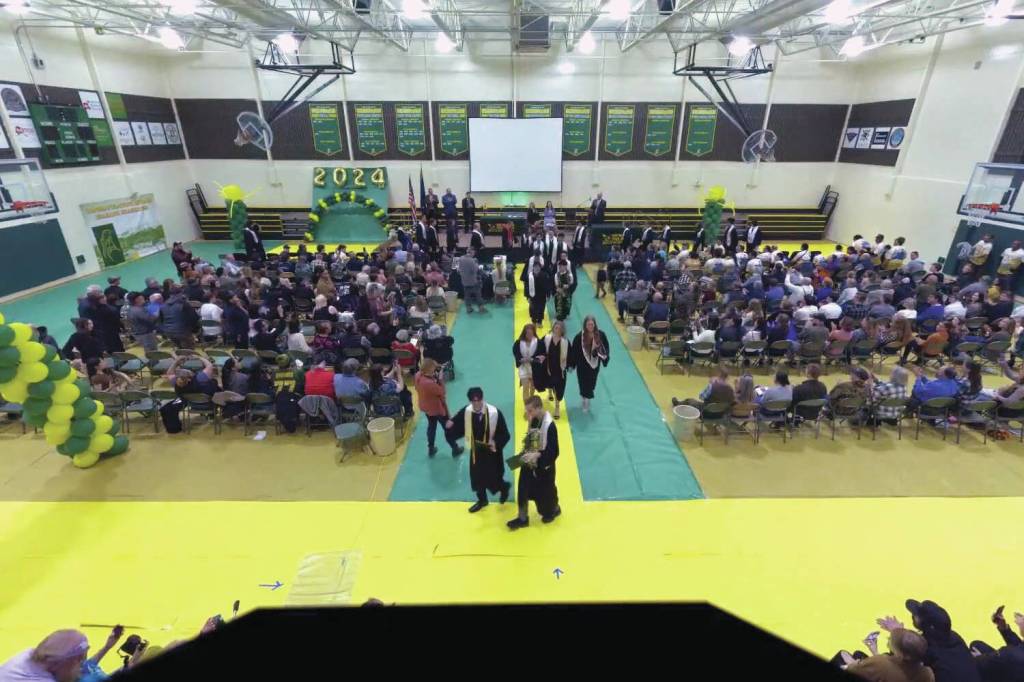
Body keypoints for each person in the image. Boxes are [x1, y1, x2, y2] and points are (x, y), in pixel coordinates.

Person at [876, 600, 981, 682]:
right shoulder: (954, 637)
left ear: (926, 625)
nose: (913, 616)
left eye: (916, 616)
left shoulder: (927, 651)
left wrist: (898, 633)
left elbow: (900, 660)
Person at [445, 386, 512, 513]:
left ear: (482, 399)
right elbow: (457, 422)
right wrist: (451, 424)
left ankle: (504, 488)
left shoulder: (494, 413)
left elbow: (505, 434)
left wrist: (495, 443)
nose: (476, 403)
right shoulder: (467, 411)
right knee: (477, 477)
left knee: (494, 477)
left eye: (478, 400)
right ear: (470, 401)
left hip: (492, 452)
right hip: (476, 451)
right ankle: (482, 500)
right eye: (473, 401)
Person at [508, 395, 560, 529]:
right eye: (527, 411)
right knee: (523, 488)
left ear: (539, 408)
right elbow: (531, 439)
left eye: (530, 411)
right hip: (531, 461)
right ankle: (522, 518)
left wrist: (537, 455)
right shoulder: (534, 419)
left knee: (545, 495)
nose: (528, 414)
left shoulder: (550, 426)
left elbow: (554, 452)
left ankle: (554, 509)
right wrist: (526, 454)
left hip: (544, 464)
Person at [840, 628, 935, 682]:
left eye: (890, 640)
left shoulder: (879, 663)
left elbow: (853, 670)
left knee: (842, 655)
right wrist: (874, 651)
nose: (888, 639)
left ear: (900, 654)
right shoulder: (928, 674)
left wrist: (852, 663)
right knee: (858, 654)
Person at [414, 358, 462, 457]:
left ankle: (431, 448)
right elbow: (442, 391)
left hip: (427, 407)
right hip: (437, 409)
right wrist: (440, 379)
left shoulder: (418, 375)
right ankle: (455, 448)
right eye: (433, 369)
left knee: (431, 427)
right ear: (429, 370)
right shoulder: (429, 383)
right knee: (448, 428)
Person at [568, 314, 610, 413]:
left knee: (592, 383)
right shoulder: (579, 337)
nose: (590, 326)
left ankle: (586, 396)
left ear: (595, 325)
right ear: (585, 325)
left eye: (592, 324)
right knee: (583, 383)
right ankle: (585, 401)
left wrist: (604, 356)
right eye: (588, 324)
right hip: (582, 365)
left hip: (594, 365)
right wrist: (572, 365)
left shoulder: (601, 335)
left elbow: (605, 348)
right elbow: (574, 351)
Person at [538, 320, 569, 419]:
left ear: (562, 330)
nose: (557, 329)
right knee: (549, 383)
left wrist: (569, 364)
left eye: (560, 328)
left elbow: (570, 355)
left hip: (560, 369)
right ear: (553, 328)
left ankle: (557, 407)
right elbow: (539, 347)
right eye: (556, 327)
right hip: (548, 367)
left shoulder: (565, 342)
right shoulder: (547, 338)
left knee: (559, 389)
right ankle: (550, 392)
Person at [513, 323, 544, 408]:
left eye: (531, 333)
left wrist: (533, 359)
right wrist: (521, 359)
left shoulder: (539, 343)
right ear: (524, 333)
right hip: (523, 368)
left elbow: (542, 355)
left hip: (534, 368)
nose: (529, 335)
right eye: (528, 333)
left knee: (533, 386)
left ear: (534, 333)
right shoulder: (518, 343)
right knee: (525, 387)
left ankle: (531, 398)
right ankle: (527, 406)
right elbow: (516, 353)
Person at [459, 247, 487, 314]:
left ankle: (469, 308)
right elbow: (474, 271)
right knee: (478, 294)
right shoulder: (472, 260)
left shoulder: (461, 258)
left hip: (464, 281)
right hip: (473, 281)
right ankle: (481, 308)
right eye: (474, 253)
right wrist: (476, 264)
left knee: (467, 295)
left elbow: (460, 269)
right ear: (472, 252)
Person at [523, 261, 551, 326]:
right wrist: (527, 297)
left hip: (542, 296)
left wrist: (548, 295)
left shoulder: (544, 275)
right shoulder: (530, 276)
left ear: (540, 268)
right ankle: (533, 321)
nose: (536, 268)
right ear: (533, 267)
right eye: (535, 267)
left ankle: (539, 321)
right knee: (533, 309)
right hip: (533, 296)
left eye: (538, 267)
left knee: (541, 309)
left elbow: (547, 286)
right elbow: (526, 287)